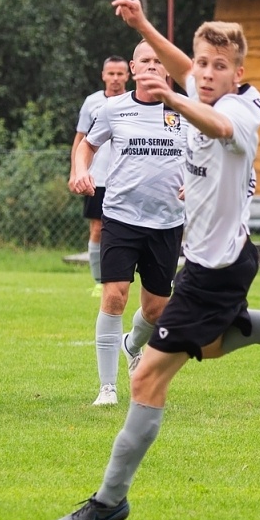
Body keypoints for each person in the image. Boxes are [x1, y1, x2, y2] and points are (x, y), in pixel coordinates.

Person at [53, 1, 260, 520]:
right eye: (202, 64)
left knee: (146, 379)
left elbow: (213, 125)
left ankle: (108, 502)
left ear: (239, 72)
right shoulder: (197, 83)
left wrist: (171, 96)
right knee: (210, 345)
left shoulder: (240, 110)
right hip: (222, 261)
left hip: (215, 268)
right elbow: (185, 71)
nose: (207, 73)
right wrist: (144, 27)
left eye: (219, 66)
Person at [70, 42, 183, 407]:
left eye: (158, 61)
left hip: (167, 221)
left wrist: (197, 183)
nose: (152, 66)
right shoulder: (113, 108)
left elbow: (209, 156)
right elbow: (86, 146)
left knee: (156, 309)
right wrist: (79, 169)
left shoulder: (184, 111)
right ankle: (108, 388)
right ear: (133, 67)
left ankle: (131, 344)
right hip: (119, 215)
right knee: (115, 295)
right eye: (145, 61)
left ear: (168, 69)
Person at [73, 57, 131, 292]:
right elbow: (80, 139)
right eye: (111, 74)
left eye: (120, 74)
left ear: (128, 75)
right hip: (97, 177)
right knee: (98, 228)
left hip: (127, 178)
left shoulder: (134, 102)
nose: (115, 78)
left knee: (126, 228)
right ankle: (98, 282)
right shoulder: (93, 102)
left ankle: (126, 278)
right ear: (103, 75)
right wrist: (76, 171)